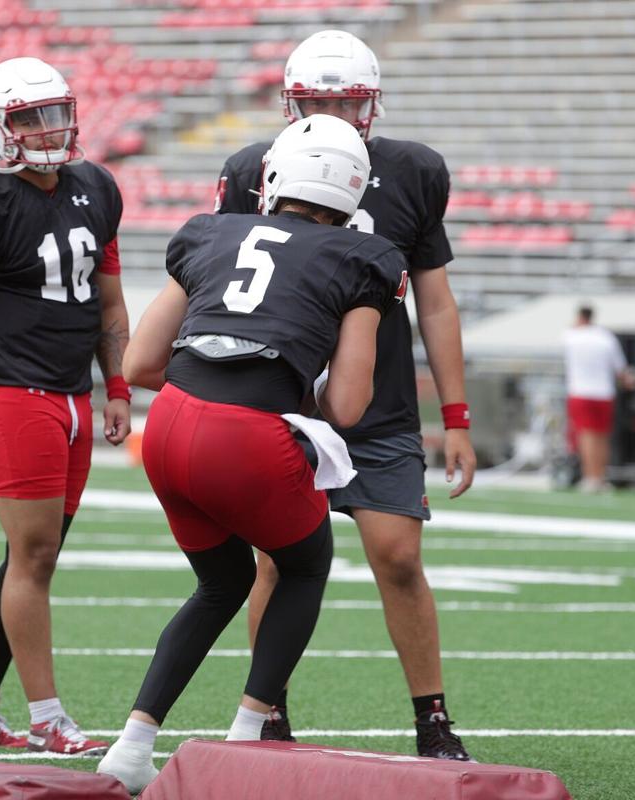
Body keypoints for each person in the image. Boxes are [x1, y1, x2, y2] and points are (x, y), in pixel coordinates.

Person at [97, 115, 407, 794]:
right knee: (304, 567)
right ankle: (245, 739)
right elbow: (350, 405)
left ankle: (131, 745)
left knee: (221, 582)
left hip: (170, 425)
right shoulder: (367, 258)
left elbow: (142, 359)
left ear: (273, 176)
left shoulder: (212, 231)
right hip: (249, 433)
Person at [215, 30, 476, 759]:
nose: (330, 112)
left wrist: (454, 415)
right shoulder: (250, 169)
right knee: (275, 560)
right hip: (282, 396)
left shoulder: (414, 170)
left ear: (372, 105)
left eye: (345, 100)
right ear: (291, 102)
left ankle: (432, 717)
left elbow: (436, 301)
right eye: (317, 99)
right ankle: (268, 710)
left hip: (382, 404)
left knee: (398, 556)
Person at [0, 57, 130, 756]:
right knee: (35, 555)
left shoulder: (97, 186)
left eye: (55, 113)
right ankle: (47, 716)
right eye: (29, 118)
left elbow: (108, 298)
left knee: (31, 556)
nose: (48, 129)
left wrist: (117, 385)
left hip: (74, 393)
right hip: (16, 392)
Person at [563, 305, 635, 492]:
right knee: (602, 436)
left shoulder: (572, 337)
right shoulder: (606, 337)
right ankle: (600, 476)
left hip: (580, 392)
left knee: (586, 436)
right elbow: (621, 370)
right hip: (604, 392)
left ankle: (589, 477)